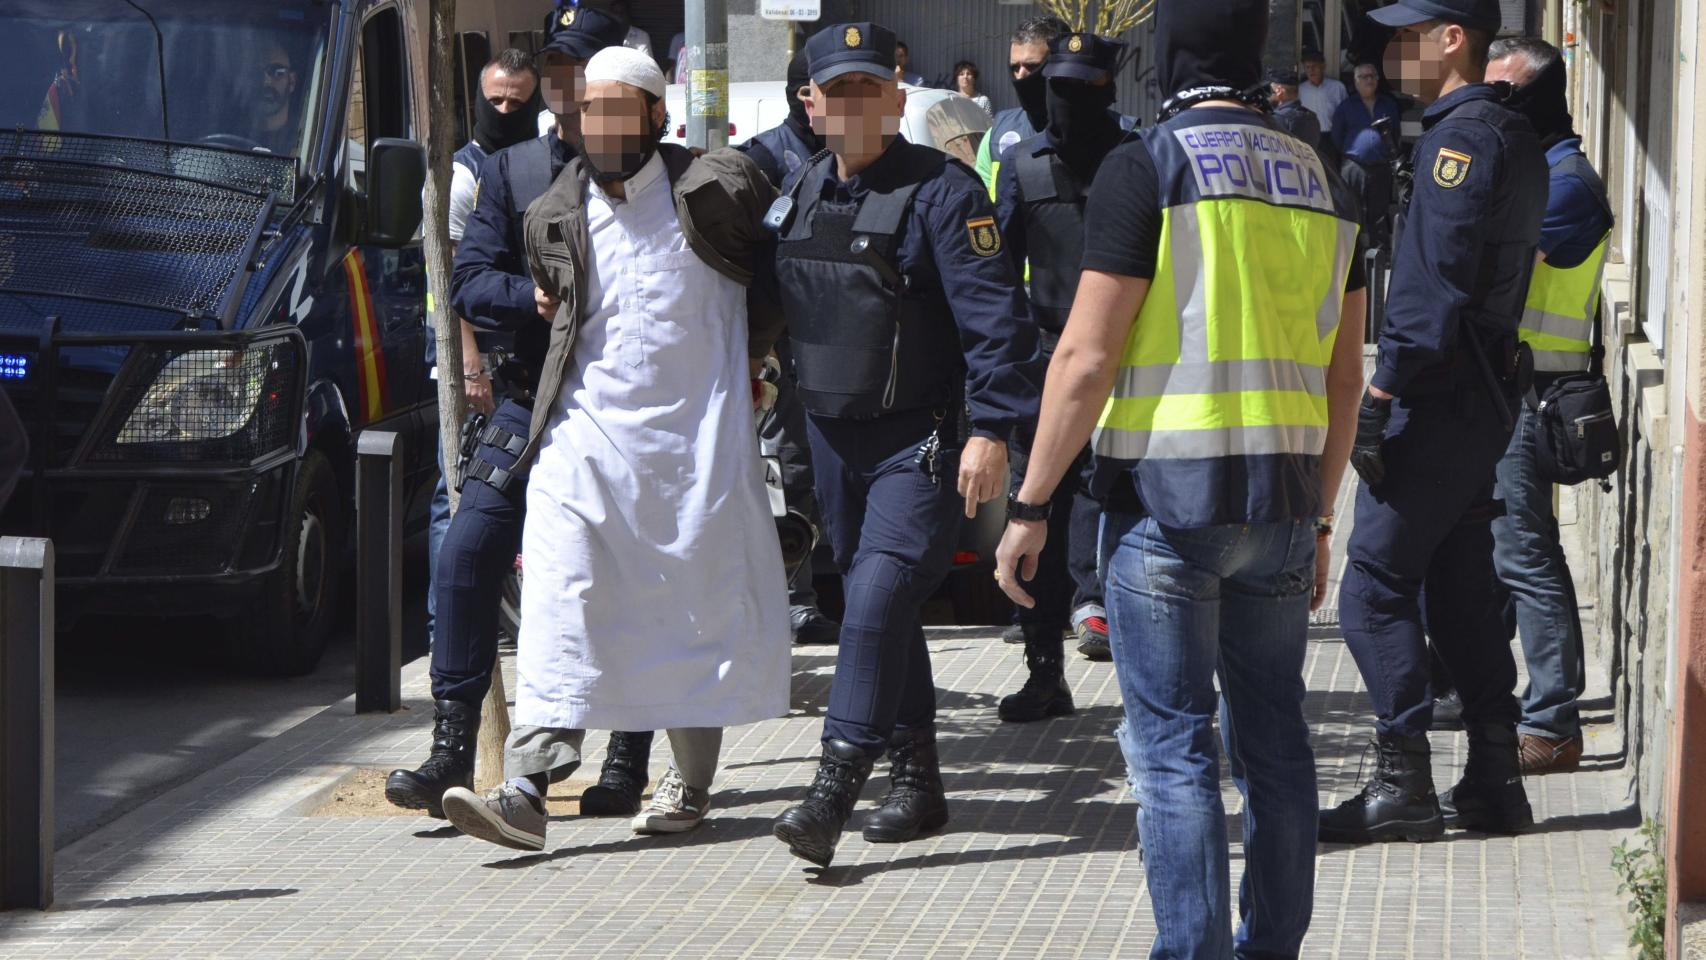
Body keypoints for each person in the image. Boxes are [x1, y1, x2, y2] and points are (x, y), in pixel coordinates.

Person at [994, 1, 1367, 951]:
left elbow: (1083, 357)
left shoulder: (1147, 165)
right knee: (1277, 747)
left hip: (1165, 509)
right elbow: (1344, 373)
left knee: (1172, 754)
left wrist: (1032, 502)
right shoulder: (1324, 175)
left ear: (1162, 63)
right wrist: (1323, 518)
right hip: (1283, 506)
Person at [440, 46, 791, 852]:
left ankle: (691, 781)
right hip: (585, 439)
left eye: (611, 111)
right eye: (582, 114)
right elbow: (512, 296)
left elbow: (777, 281)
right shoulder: (553, 213)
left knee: (690, 606)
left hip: (695, 440)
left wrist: (760, 361)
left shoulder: (719, 189)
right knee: (562, 593)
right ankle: (526, 787)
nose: (593, 127)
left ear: (656, 117)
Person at [768, 22, 1041, 868]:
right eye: (835, 93)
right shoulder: (806, 187)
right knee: (874, 608)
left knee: (879, 600)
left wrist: (993, 430)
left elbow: (997, 324)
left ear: (895, 96)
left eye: (867, 90)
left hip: (918, 442)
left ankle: (833, 785)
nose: (852, 108)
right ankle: (919, 785)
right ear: (812, 105)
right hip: (833, 440)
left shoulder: (946, 192)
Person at [383, 7, 651, 823]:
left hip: (624, 410)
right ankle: (449, 751)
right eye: (559, 72)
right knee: (466, 554)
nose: (568, 90)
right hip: (532, 400)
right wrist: (527, 299)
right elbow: (467, 280)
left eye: (583, 72)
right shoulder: (516, 170)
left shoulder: (663, 178)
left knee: (626, 579)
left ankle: (628, 759)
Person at [1319, 0, 1549, 845]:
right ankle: (1494, 779)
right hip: (1479, 396)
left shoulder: (1462, 138)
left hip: (1438, 392)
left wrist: (1381, 396)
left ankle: (1402, 782)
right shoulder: (1507, 130)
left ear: (1453, 39)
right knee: (1455, 591)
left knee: (1371, 589)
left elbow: (1431, 286)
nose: (1391, 50)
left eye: (1408, 36)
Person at [989, 30, 1131, 722]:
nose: (1066, 101)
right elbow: (995, 277)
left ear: (1110, 88)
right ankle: (1044, 670)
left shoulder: (1139, 163)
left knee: (1132, 516)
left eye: (1082, 88)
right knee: (1037, 508)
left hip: (1132, 365)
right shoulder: (1023, 166)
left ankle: (1140, 663)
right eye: (1058, 87)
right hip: (1048, 361)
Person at [1486, 36, 1613, 775]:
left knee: (1526, 556)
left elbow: (1497, 270)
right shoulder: (1541, 174)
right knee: (1513, 551)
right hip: (1517, 392)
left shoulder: (1565, 186)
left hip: (1539, 397)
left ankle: (1553, 722)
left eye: (1504, 93)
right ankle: (1513, 701)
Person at [424, 48, 544, 648]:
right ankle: (447, 623)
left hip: (520, 360)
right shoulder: (463, 173)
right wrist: (467, 364)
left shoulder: (537, 165)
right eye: (494, 100)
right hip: (475, 358)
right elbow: (445, 279)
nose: (504, 110)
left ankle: (503, 620)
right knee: (458, 496)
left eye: (516, 102)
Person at [974, 16, 1135, 202]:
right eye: (1015, 67)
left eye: (1032, 66)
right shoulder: (997, 136)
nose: (1021, 76)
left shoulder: (1125, 134)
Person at [1331, 63, 1402, 248]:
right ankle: (1351, 255)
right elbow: (1337, 136)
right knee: (1351, 211)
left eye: (1372, 76)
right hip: (1353, 165)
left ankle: (1379, 255)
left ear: (1378, 80)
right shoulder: (1346, 106)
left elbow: (1395, 133)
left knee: (1378, 213)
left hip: (1380, 166)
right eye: (1364, 77)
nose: (1369, 80)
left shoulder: (1388, 104)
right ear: (1356, 82)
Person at [252, 40, 299, 155]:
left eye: (277, 72)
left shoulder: (304, 143)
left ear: (292, 82)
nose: (266, 82)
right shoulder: (230, 131)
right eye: (257, 72)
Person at [1267, 67, 1323, 149]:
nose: (1267, 95)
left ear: (1279, 91)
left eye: (1269, 90)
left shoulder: (1279, 119)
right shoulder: (1312, 117)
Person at [1299, 47, 1348, 138]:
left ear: (1323, 67)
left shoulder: (1337, 87)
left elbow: (1346, 114)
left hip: (1332, 136)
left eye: (1314, 66)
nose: (1311, 70)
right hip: (1309, 137)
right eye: (1308, 67)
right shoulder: (1301, 90)